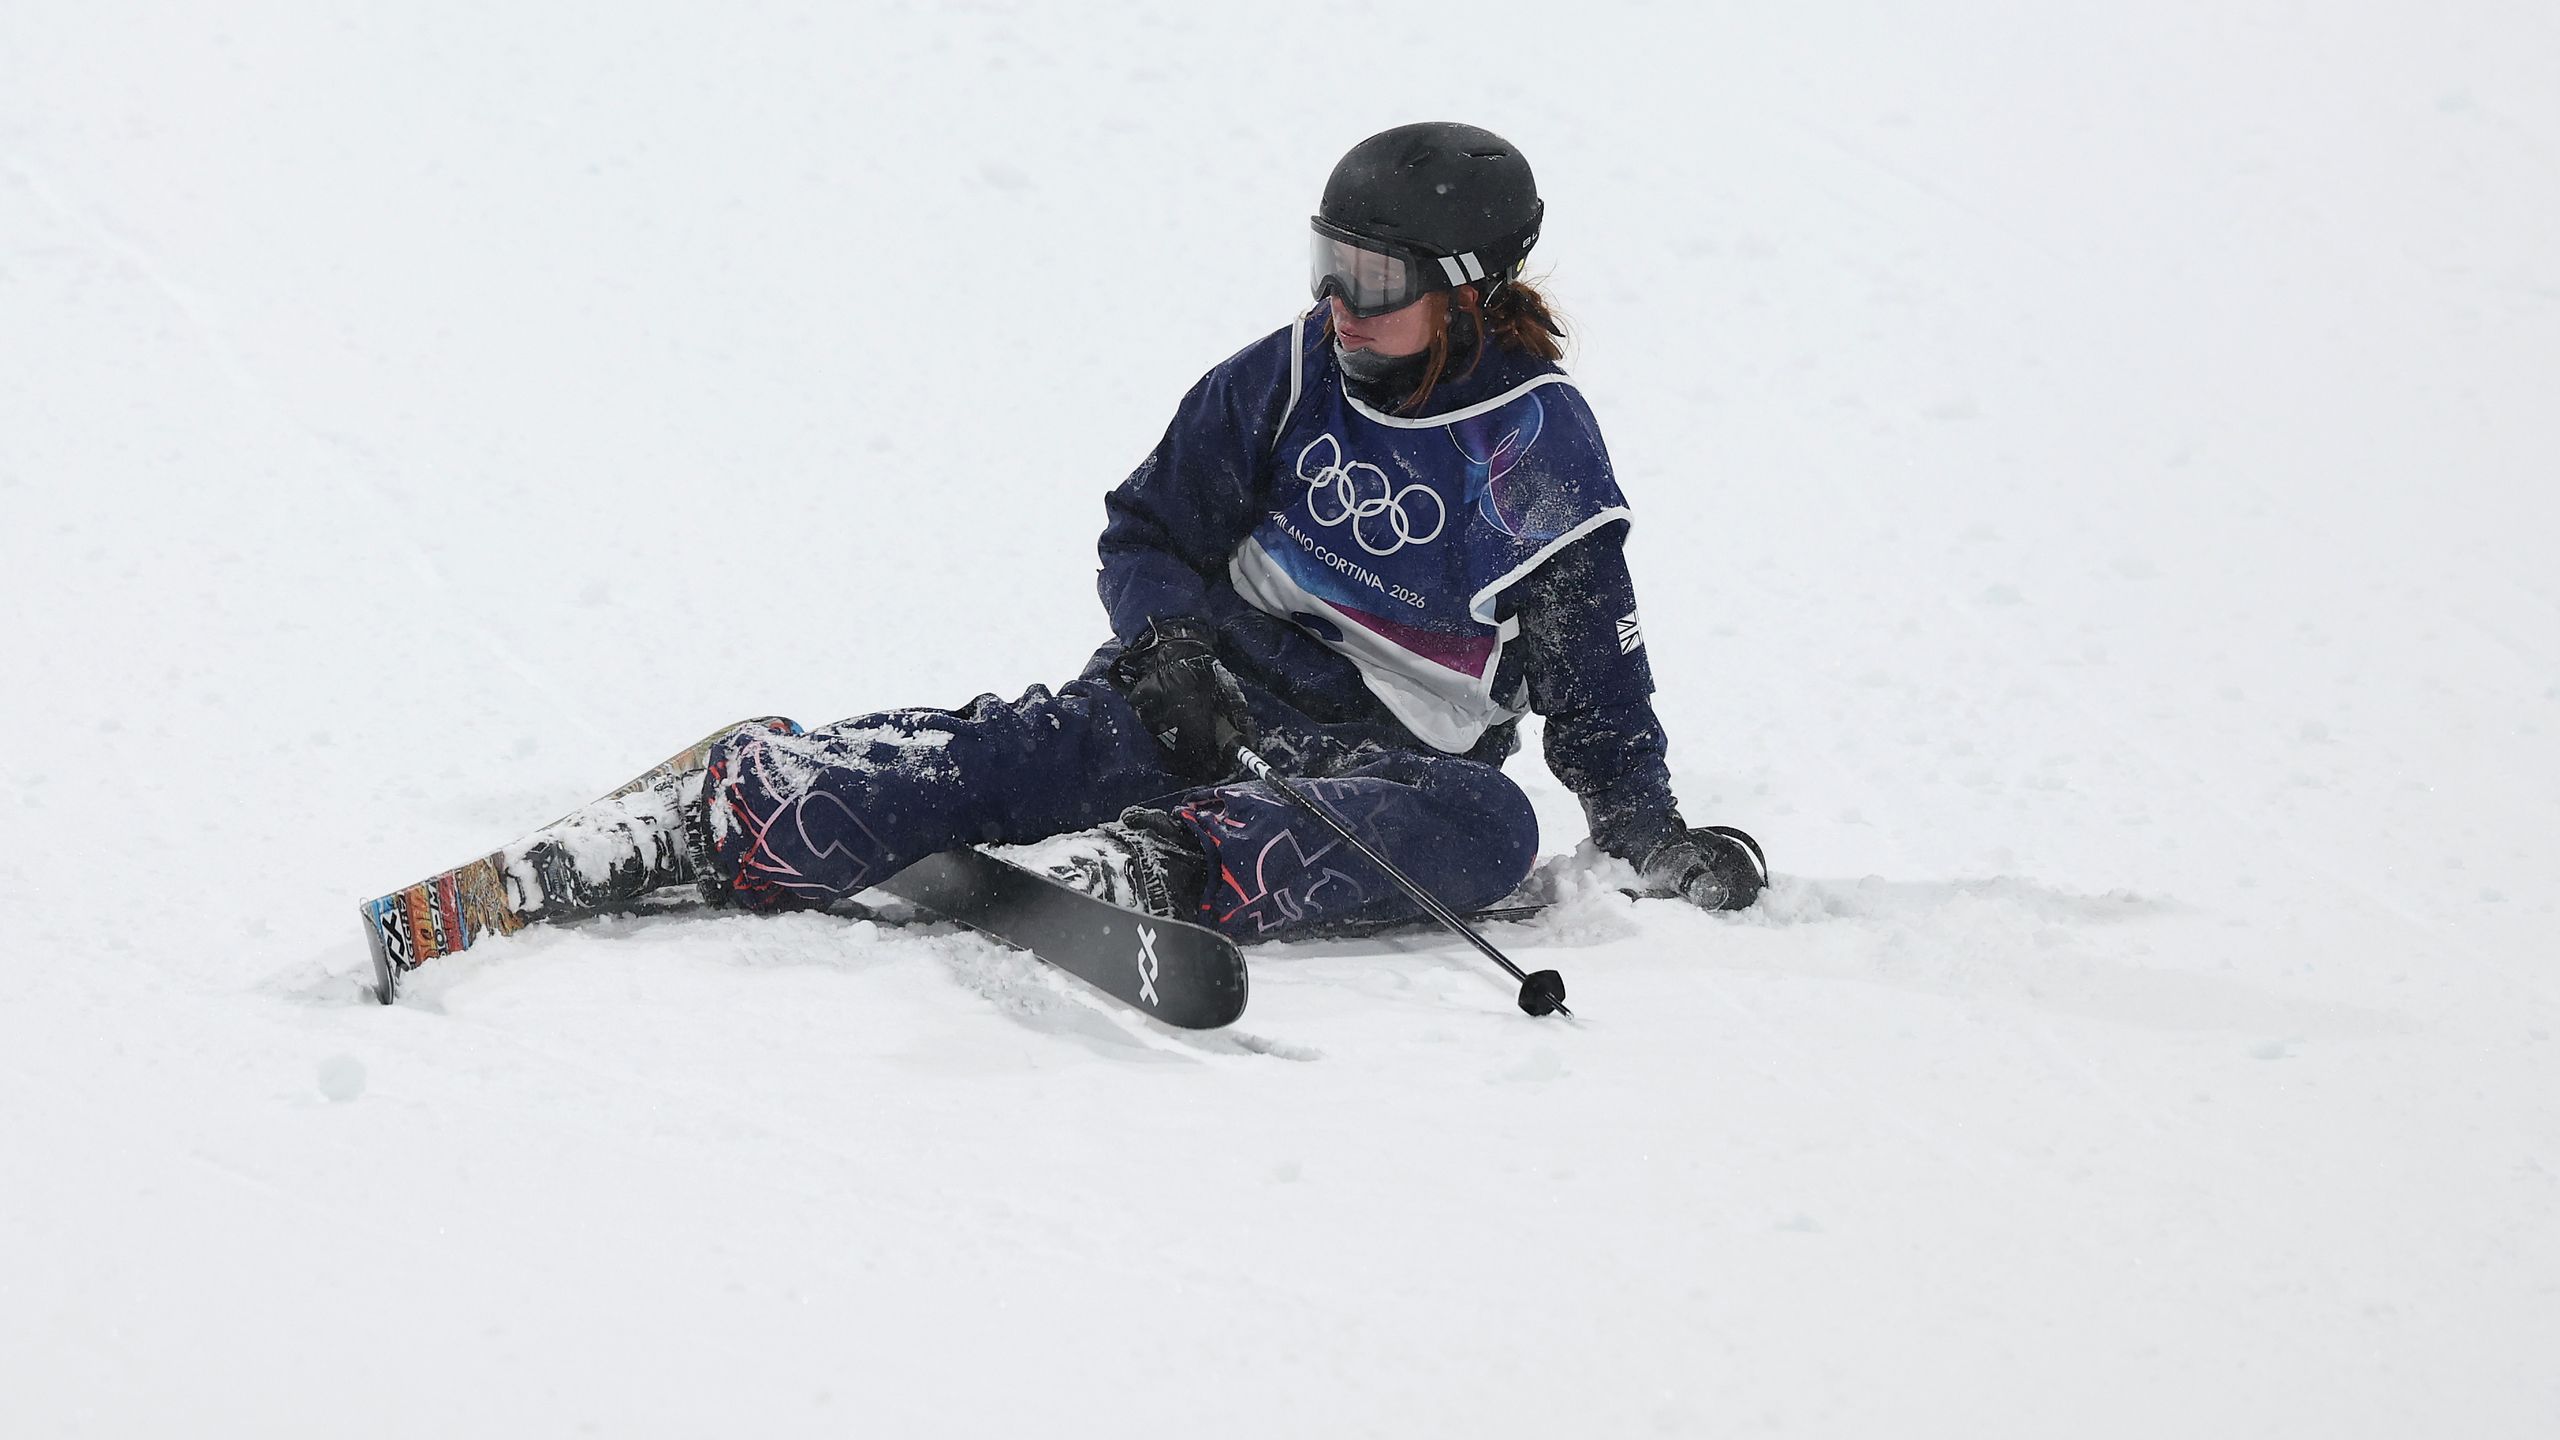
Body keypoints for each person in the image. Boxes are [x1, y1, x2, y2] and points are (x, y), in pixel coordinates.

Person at [420, 121, 1764, 962]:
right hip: (1207, 700)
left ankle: (1145, 872)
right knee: (1028, 753)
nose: (1339, 304)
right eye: (1326, 264)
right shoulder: (1288, 376)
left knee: (1490, 827)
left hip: (1385, 765)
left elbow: (1595, 684)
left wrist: (1648, 831)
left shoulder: (1532, 456)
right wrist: (1166, 644)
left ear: (1469, 292)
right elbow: (1149, 529)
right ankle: (744, 805)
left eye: (1376, 280)